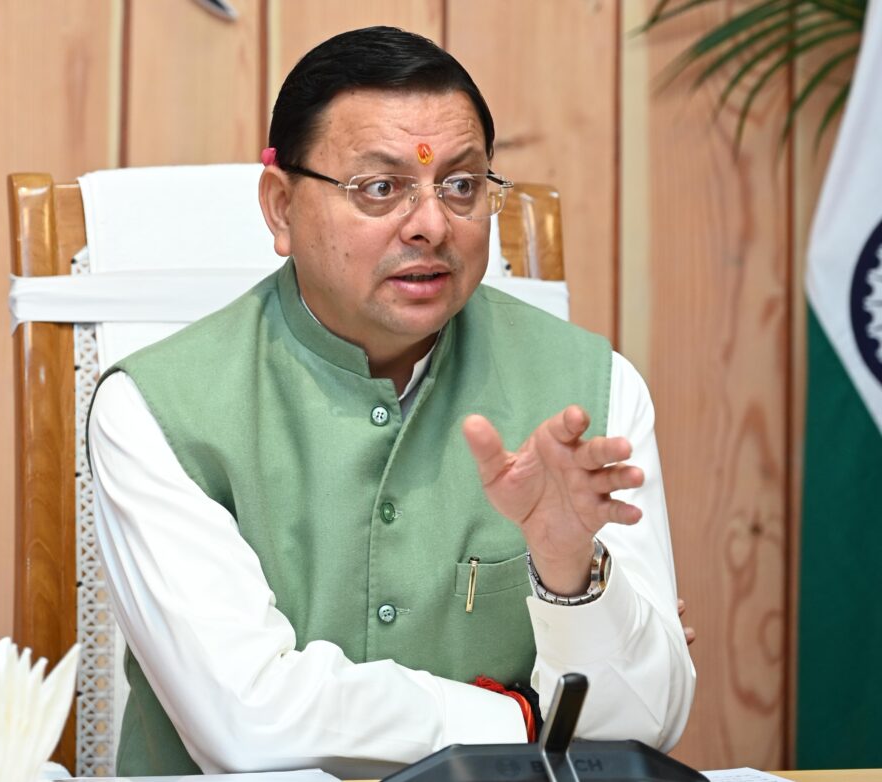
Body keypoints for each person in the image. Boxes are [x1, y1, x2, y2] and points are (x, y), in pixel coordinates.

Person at [88, 25, 696, 778]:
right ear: (280, 207)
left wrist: (569, 572)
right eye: (380, 188)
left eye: (461, 185)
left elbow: (646, 722)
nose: (432, 224)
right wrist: (521, 717)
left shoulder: (593, 391)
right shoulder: (153, 411)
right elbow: (248, 722)